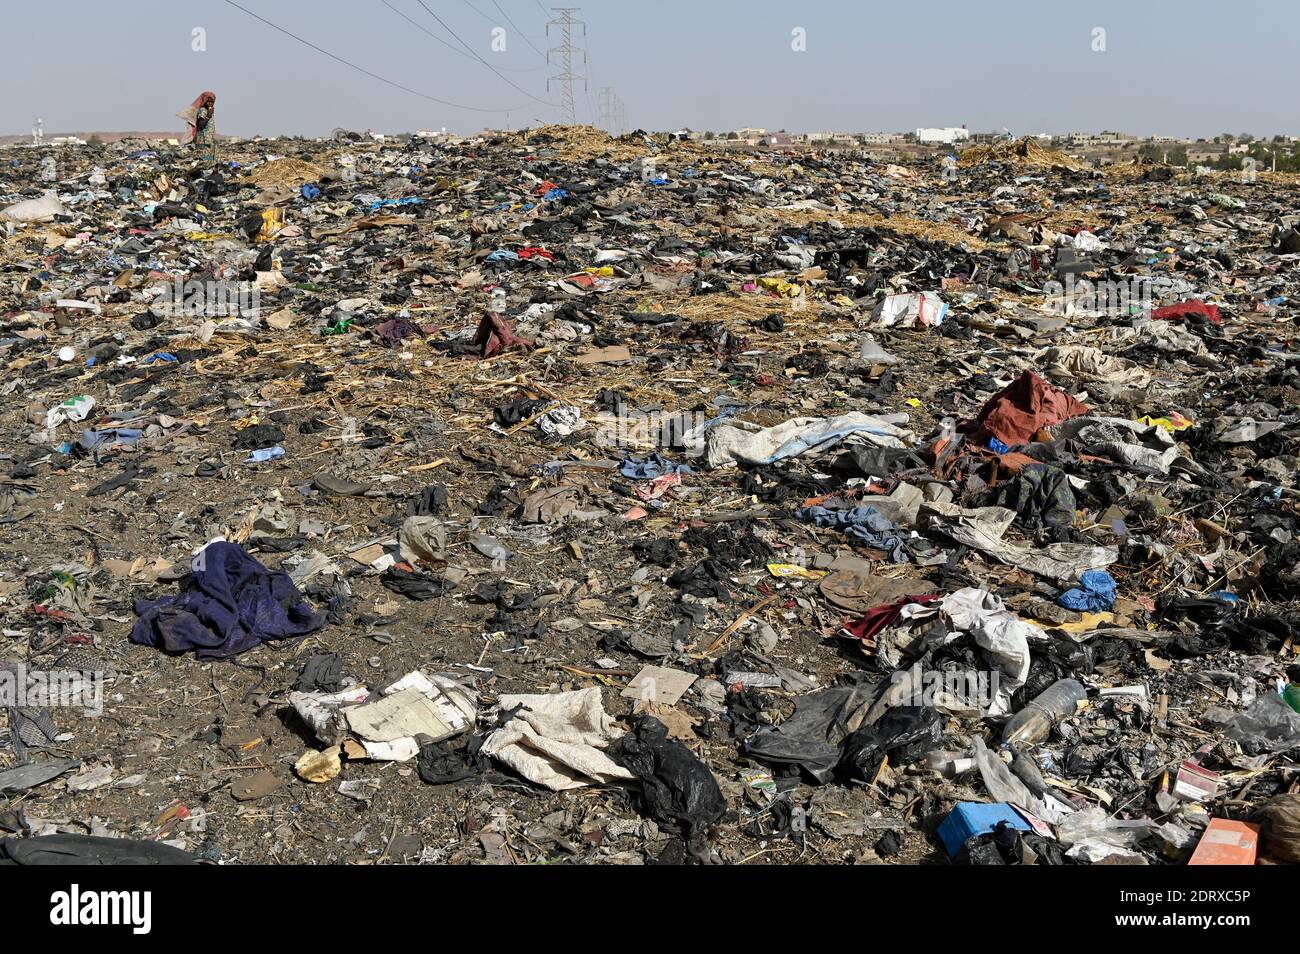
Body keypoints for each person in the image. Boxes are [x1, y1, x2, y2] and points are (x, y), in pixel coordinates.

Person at [177, 91, 217, 165]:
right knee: (203, 159)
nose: (210, 103)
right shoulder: (203, 110)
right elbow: (201, 124)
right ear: (204, 101)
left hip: (209, 139)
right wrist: (209, 115)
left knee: (209, 159)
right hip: (203, 139)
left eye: (212, 102)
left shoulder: (209, 110)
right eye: (208, 101)